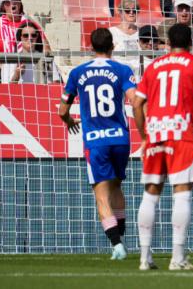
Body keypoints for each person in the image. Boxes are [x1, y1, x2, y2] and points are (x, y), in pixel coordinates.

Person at [132, 23, 193, 271]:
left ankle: (144, 258)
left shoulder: (153, 66)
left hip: (154, 134)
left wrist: (143, 135)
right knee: (181, 193)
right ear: (191, 44)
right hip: (180, 132)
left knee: (150, 194)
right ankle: (177, 258)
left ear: (168, 44)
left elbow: (136, 104)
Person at [59, 28, 137, 260]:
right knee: (116, 188)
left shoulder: (77, 73)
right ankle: (121, 237)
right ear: (112, 45)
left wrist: (69, 121)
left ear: (90, 47)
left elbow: (62, 110)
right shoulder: (123, 70)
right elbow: (133, 98)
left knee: (101, 195)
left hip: (96, 141)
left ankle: (116, 245)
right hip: (121, 139)